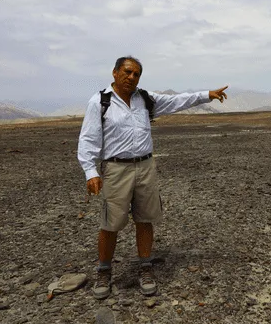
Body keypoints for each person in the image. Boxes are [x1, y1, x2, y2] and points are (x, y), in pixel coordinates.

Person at [77, 56, 228, 299]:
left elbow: (177, 101)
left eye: (136, 74)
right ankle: (104, 271)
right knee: (110, 223)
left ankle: (145, 267)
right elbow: (88, 139)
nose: (131, 78)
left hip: (146, 166)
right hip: (116, 169)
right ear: (115, 73)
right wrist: (90, 171)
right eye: (127, 72)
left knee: (145, 218)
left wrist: (206, 94)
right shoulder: (100, 102)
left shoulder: (145, 99)